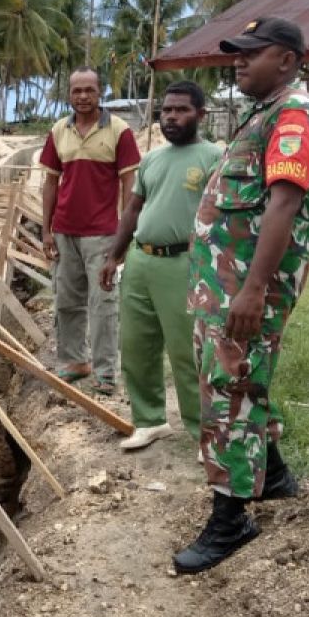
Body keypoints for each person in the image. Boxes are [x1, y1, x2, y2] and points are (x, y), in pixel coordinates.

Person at [174, 17, 309, 575]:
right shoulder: (264, 114)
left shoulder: (295, 115)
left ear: (285, 58)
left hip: (245, 288)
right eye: (235, 54)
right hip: (226, 286)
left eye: (250, 53)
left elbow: (284, 203)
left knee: (229, 387)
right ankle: (277, 477)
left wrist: (255, 289)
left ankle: (231, 518)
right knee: (241, 379)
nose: (237, 62)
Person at [100, 81, 222, 452]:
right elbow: (134, 208)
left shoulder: (214, 157)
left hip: (183, 263)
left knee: (187, 352)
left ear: (200, 115)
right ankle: (150, 420)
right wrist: (114, 255)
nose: (171, 116)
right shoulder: (152, 158)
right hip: (141, 260)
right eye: (166, 110)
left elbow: (224, 214)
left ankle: (204, 434)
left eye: (181, 110)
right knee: (136, 346)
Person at [39, 67, 141, 394]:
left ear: (100, 93)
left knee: (103, 304)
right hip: (65, 231)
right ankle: (73, 361)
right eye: (76, 91)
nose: (82, 96)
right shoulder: (58, 131)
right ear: (69, 94)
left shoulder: (119, 131)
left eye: (89, 90)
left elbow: (129, 186)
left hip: (103, 234)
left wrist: (123, 237)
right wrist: (46, 230)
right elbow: (51, 183)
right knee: (67, 301)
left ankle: (105, 371)